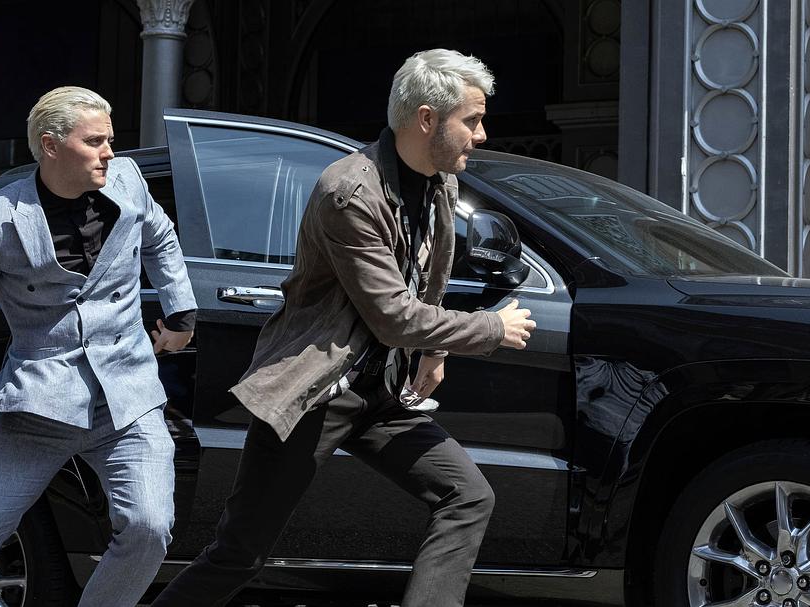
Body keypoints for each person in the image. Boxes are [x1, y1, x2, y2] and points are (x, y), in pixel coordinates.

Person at [152, 48, 536, 607]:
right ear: (426, 119)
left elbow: (431, 272)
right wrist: (489, 328)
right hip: (314, 389)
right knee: (240, 553)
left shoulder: (441, 182)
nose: (481, 134)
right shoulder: (349, 193)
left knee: (468, 495)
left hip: (381, 391)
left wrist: (434, 352)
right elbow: (392, 315)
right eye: (472, 120)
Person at [0, 86, 197, 607]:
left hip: (127, 397)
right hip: (38, 405)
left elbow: (159, 236)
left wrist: (181, 313)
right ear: (50, 145)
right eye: (94, 142)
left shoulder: (130, 181)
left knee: (148, 527)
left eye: (110, 140)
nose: (109, 153)